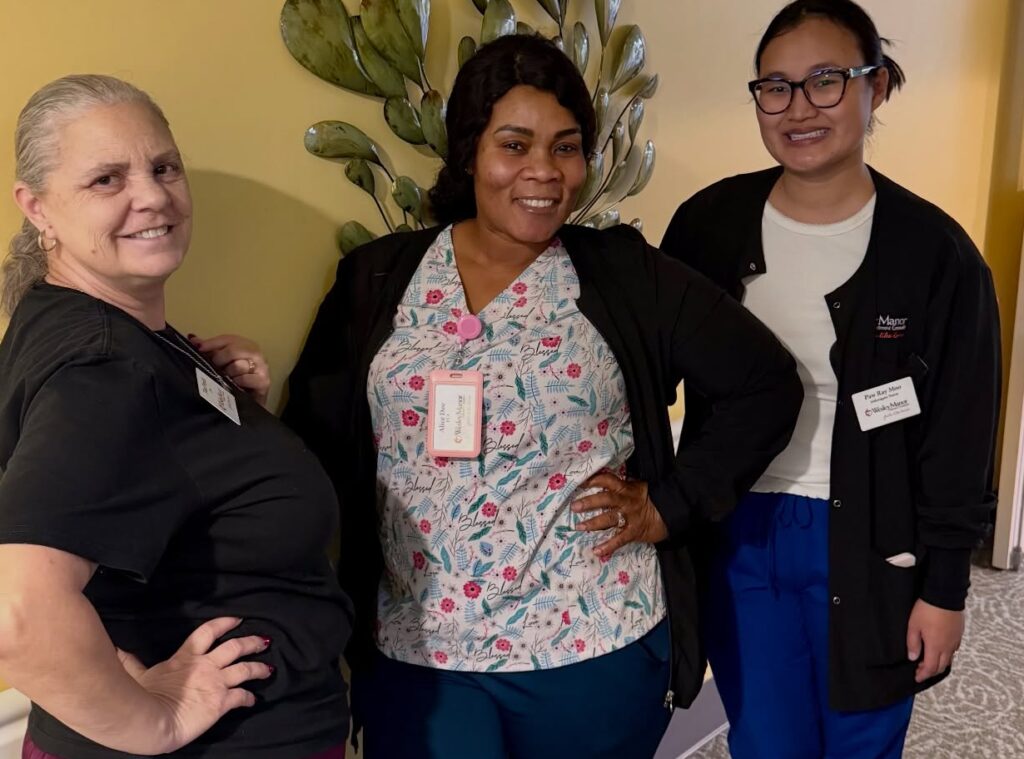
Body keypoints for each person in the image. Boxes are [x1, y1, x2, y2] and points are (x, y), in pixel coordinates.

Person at [283, 34, 802, 759]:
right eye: (515, 144)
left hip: (592, 643)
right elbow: (311, 434)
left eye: (565, 148)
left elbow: (764, 382)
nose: (544, 173)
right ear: (468, 152)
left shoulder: (623, 277)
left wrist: (670, 503)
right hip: (420, 651)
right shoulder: (377, 280)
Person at [659, 2, 1001, 757]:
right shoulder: (707, 227)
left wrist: (945, 589)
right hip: (743, 531)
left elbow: (960, 436)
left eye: (825, 81)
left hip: (879, 537)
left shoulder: (936, 254)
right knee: (767, 741)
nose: (798, 108)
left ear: (875, 88)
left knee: (861, 739)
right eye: (774, 87)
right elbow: (650, 373)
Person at [0, 75, 352, 759]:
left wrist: (218, 398)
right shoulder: (107, 372)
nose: (154, 195)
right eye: (107, 179)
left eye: (164, 167)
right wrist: (153, 720)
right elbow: (17, 612)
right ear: (37, 207)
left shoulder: (73, 323)